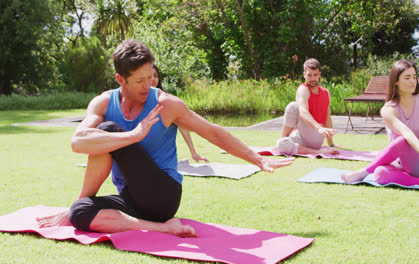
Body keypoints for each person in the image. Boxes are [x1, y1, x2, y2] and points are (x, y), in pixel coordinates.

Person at [37, 39, 294, 237]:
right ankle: (163, 229)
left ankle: (159, 220)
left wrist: (256, 159)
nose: (147, 84)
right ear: (120, 79)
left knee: (108, 130)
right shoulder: (103, 101)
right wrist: (135, 134)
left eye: (150, 77)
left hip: (163, 195)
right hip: (131, 198)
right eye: (139, 80)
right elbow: (78, 141)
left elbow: (212, 131)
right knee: (79, 213)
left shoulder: (166, 104)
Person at [341, 60, 419, 186]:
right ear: (396, 81)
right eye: (407, 78)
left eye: (414, 77)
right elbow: (406, 132)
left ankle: (363, 172)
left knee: (403, 140)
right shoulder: (388, 110)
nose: (412, 81)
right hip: (399, 163)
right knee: (380, 173)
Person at [276, 58, 340, 155]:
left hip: (315, 135)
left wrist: (330, 143)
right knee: (282, 144)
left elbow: (327, 118)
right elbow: (303, 112)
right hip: (306, 135)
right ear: (304, 75)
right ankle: (283, 142)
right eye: (309, 75)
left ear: (319, 75)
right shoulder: (305, 89)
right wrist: (328, 142)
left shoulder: (325, 92)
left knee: (292, 106)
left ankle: (315, 151)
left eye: (315, 75)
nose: (312, 79)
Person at [151, 64, 208, 163]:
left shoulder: (166, 102)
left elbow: (183, 127)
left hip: (164, 161)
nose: (153, 79)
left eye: (155, 75)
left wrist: (193, 152)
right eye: (149, 76)